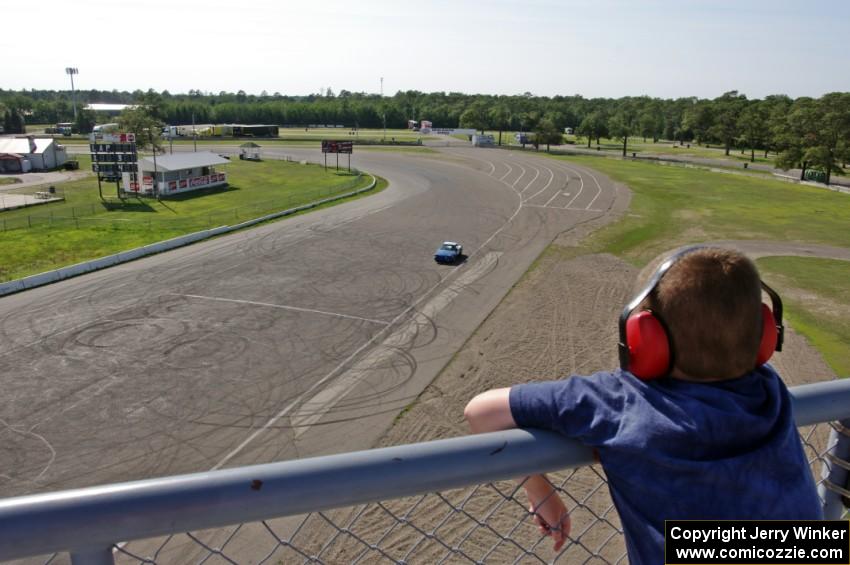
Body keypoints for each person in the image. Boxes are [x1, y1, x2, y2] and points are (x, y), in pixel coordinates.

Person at [464, 246, 823, 564]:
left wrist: (540, 492)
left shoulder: (622, 403)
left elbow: (481, 411)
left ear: (645, 340)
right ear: (764, 332)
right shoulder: (770, 390)